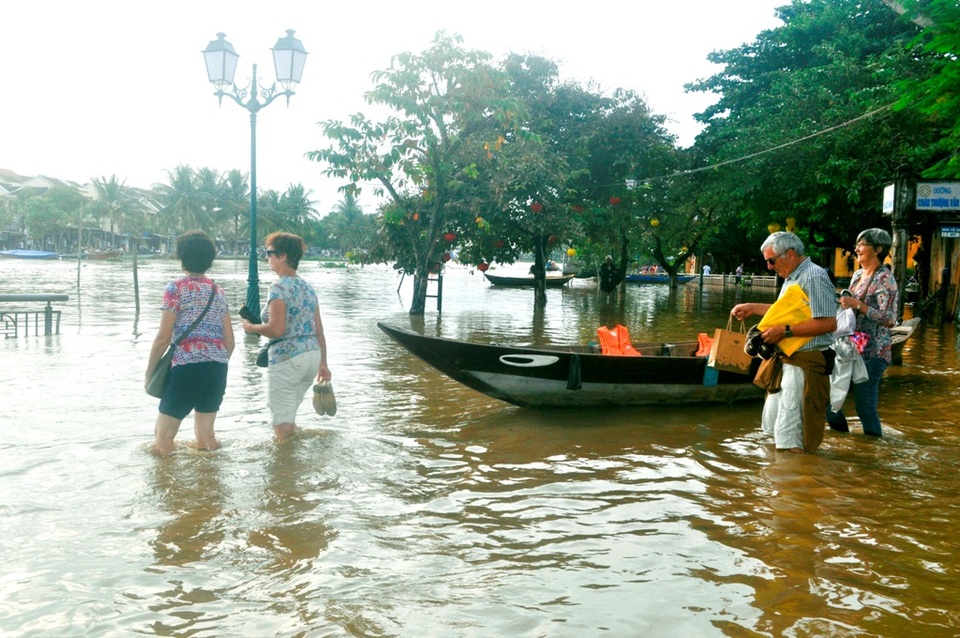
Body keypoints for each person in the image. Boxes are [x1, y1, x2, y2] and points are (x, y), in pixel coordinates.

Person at [730, 232, 837, 454]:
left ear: (790, 254)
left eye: (771, 260)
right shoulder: (793, 277)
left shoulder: (813, 276)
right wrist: (754, 308)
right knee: (776, 428)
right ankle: (780, 482)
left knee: (792, 434)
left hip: (805, 362)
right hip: (786, 359)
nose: (769, 267)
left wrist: (785, 331)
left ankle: (795, 483)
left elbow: (828, 322)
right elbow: (789, 314)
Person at [145, 231, 234, 457]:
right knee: (206, 437)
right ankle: (210, 487)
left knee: (162, 437)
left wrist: (150, 372)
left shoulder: (176, 288)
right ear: (210, 260)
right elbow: (229, 342)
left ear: (181, 258)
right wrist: (212, 362)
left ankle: (166, 487)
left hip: (186, 367)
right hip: (217, 367)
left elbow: (163, 338)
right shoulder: (218, 291)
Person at [241, 232, 331, 442]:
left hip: (287, 358)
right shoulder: (308, 288)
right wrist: (323, 364)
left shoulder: (278, 287)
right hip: (312, 356)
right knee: (288, 417)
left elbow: (276, 330)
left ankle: (285, 471)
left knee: (282, 426)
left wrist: (251, 327)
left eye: (270, 253)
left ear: (282, 256)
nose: (267, 258)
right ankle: (295, 461)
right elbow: (319, 330)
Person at [827, 228, 899, 437]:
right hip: (849, 347)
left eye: (862, 245)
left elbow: (890, 319)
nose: (856, 249)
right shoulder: (858, 275)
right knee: (831, 404)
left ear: (877, 249)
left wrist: (859, 305)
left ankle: (872, 454)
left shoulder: (886, 279)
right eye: (857, 244)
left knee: (865, 407)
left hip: (874, 352)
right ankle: (843, 445)